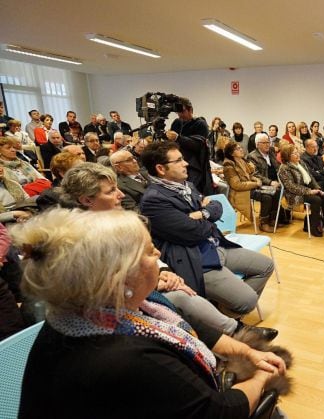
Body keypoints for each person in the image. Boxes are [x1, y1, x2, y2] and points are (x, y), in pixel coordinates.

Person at [13, 208, 286, 418]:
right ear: (118, 277)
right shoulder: (126, 359)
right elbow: (220, 414)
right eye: (148, 251)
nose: (158, 252)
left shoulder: (104, 307)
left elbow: (190, 325)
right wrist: (263, 376)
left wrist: (248, 352)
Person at [140, 142, 275, 320]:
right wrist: (207, 217)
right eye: (179, 160)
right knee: (248, 301)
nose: (186, 163)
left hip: (215, 245)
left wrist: (202, 214)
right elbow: (193, 232)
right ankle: (224, 321)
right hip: (196, 258)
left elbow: (215, 206)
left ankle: (220, 311)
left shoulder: (186, 185)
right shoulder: (153, 200)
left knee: (266, 265)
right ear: (160, 168)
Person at [223, 141, 281, 233]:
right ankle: (263, 223)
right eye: (238, 149)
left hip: (249, 187)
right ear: (231, 153)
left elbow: (250, 175)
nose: (241, 150)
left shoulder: (241, 160)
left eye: (241, 147)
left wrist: (257, 180)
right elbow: (236, 185)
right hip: (240, 192)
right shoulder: (228, 165)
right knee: (266, 197)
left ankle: (272, 219)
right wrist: (255, 184)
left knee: (276, 191)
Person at [166, 97, 215, 195]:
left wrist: (178, 138)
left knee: (193, 193)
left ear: (190, 110)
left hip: (195, 168)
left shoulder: (200, 124)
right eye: (178, 112)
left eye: (182, 112)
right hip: (177, 164)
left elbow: (198, 145)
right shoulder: (176, 123)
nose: (180, 115)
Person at [278, 144, 324, 236]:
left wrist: (317, 188)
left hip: (305, 190)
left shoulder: (300, 163)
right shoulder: (284, 168)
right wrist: (309, 191)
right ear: (287, 156)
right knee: (316, 200)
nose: (298, 155)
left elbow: (310, 177)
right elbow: (291, 186)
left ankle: (319, 223)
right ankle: (313, 227)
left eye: (297, 153)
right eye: (294, 153)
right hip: (294, 195)